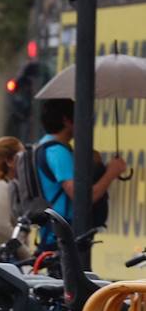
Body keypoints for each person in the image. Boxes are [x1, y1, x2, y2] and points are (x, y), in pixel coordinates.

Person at [36, 98, 127, 248]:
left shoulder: (44, 145)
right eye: (79, 117)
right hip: (63, 236)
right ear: (66, 120)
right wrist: (111, 173)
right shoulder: (58, 152)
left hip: (53, 233)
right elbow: (82, 198)